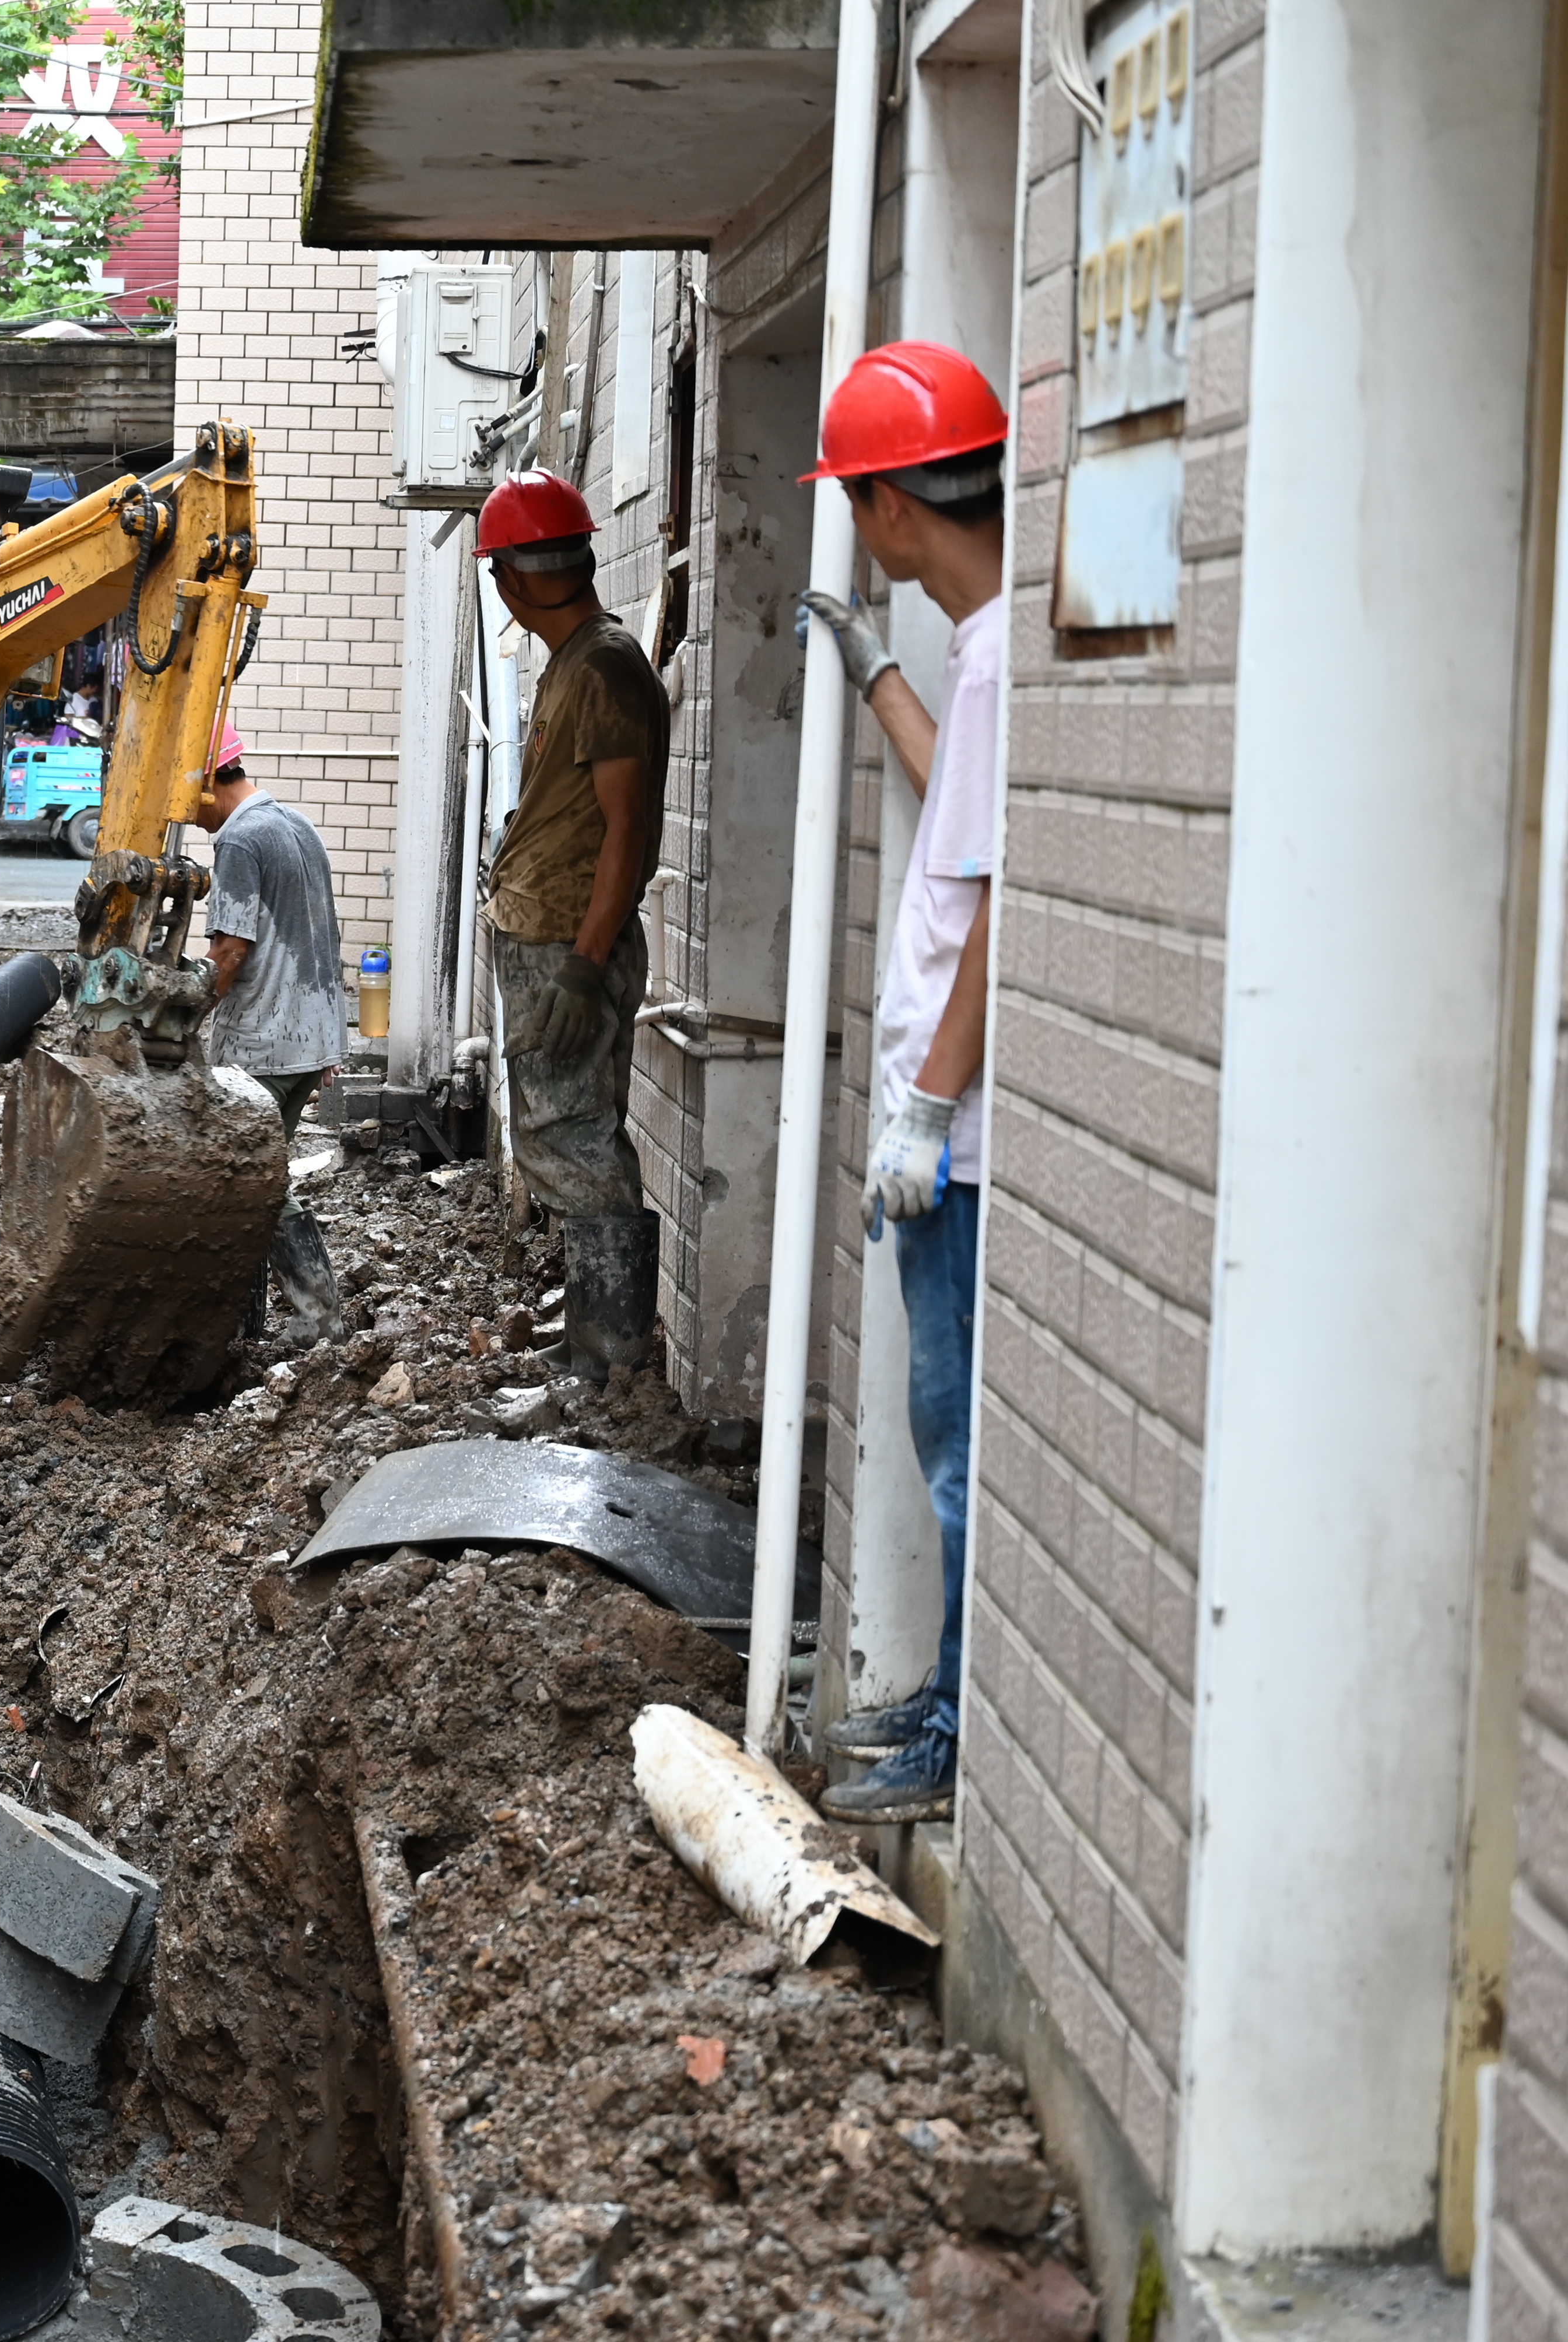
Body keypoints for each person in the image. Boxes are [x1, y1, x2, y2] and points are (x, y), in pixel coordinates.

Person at [794, 342, 1011, 1827]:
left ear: (884, 508)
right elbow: (968, 808)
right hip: (954, 1130)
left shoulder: (999, 650)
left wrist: (928, 1109)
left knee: (953, 1445)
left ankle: (948, 1738)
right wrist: (877, 676)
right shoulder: (989, 647)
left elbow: (999, 899)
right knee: (951, 1436)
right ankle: (939, 1713)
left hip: (963, 1144)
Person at [475, 468, 668, 1376]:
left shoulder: (604, 667)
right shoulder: (581, 662)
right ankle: (597, 1331)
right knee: (563, 1131)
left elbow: (626, 829)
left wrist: (585, 967)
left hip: (566, 944)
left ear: (511, 578)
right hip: (549, 935)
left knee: (572, 1136)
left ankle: (612, 1350)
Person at [196, 725, 350, 1345]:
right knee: (257, 1179)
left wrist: (188, 1012)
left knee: (248, 1183)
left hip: (262, 1044)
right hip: (306, 1038)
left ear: (208, 780)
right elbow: (323, 934)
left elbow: (230, 951)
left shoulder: (239, 840)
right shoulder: (297, 825)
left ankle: (319, 1315)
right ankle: (251, 1322)